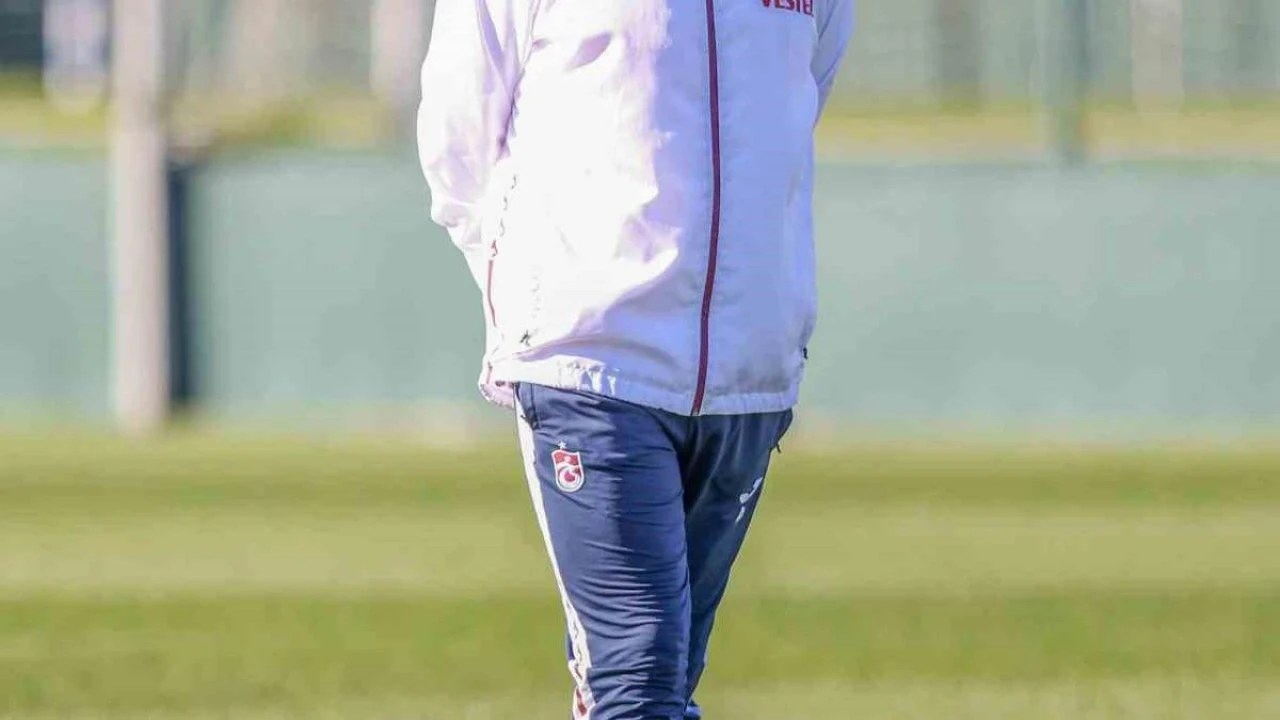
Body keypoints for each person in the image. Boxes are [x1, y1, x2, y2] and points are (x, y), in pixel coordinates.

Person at [418, 0, 854, 717]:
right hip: (591, 363)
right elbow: (457, 139)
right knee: (638, 674)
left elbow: (801, 92)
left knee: (665, 681)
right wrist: (542, 291)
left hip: (748, 376)